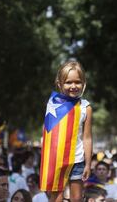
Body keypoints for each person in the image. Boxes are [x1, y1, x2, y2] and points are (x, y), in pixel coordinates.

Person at [40, 60, 93, 202]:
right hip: (56, 160)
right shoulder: (53, 105)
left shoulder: (85, 107)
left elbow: (87, 138)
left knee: (77, 198)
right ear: (59, 83)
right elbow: (47, 135)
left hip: (77, 159)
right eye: (68, 82)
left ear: (83, 83)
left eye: (77, 82)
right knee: (56, 197)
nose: (73, 86)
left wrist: (88, 163)